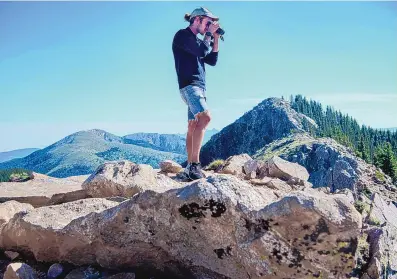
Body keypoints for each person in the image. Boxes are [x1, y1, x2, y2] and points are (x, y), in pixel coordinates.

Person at [172, 7, 221, 180]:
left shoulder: (199, 42)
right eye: (207, 23)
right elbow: (201, 51)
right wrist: (208, 35)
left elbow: (212, 60)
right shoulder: (182, 36)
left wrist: (215, 38)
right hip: (190, 86)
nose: (209, 26)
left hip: (198, 87)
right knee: (205, 118)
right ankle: (195, 166)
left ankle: (189, 168)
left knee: (193, 125)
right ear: (197, 20)